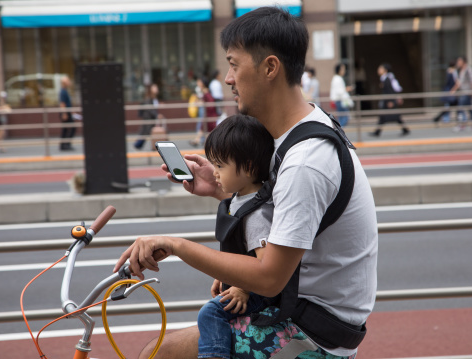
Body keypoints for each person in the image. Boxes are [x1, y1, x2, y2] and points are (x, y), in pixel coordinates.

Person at [115, 7, 377, 359]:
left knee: (158, 353)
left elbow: (269, 277)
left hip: (313, 333)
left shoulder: (305, 163)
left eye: (234, 65)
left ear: (270, 68)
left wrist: (176, 245)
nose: (227, 78)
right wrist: (223, 188)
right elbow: (277, 205)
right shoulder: (300, 130)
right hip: (303, 310)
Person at [198, 114, 274, 359]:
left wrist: (241, 287)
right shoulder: (242, 198)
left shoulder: (257, 214)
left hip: (258, 291)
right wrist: (226, 276)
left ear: (249, 167)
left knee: (211, 313)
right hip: (246, 284)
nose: (215, 173)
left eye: (220, 166)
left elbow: (265, 263)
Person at [370, 63, 410, 137]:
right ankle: (377, 131)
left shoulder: (387, 79)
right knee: (386, 116)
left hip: (389, 100)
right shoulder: (386, 78)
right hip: (388, 100)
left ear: (385, 70)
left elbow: (390, 91)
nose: (378, 70)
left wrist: (391, 101)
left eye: (380, 68)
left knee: (394, 116)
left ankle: (378, 131)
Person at [133, 83, 162, 150]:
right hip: (148, 119)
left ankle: (140, 145)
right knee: (145, 133)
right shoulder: (149, 98)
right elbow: (150, 108)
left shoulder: (154, 98)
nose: (156, 89)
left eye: (156, 88)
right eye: (155, 88)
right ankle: (137, 145)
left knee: (145, 133)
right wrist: (156, 115)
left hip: (151, 119)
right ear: (151, 90)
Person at [450, 56, 472, 132]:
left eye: (459, 61)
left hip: (467, 92)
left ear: (464, 61)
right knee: (469, 109)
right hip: (464, 92)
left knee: (460, 107)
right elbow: (459, 83)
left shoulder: (468, 70)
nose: (458, 62)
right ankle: (463, 124)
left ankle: (462, 125)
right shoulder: (460, 71)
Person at [59, 75, 76, 151]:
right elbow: (62, 103)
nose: (69, 82)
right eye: (68, 81)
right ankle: (65, 144)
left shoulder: (65, 90)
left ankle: (64, 145)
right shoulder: (63, 91)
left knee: (66, 129)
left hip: (67, 112)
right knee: (72, 128)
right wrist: (64, 113)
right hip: (65, 113)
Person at [189, 77, 206, 147]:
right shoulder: (198, 89)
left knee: (202, 123)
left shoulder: (204, 90)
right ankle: (199, 139)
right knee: (201, 123)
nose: (198, 83)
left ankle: (199, 139)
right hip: (200, 107)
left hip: (203, 108)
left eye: (199, 82)